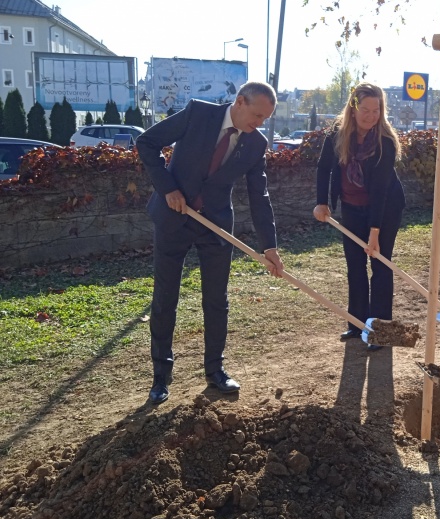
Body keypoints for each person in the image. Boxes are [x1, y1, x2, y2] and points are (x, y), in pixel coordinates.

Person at [137, 81, 284, 405]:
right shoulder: (197, 114)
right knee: (165, 299)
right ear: (240, 101)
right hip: (174, 217)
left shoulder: (255, 144)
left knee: (217, 300)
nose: (259, 124)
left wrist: (269, 247)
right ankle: (161, 376)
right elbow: (147, 143)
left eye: (265, 119)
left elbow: (259, 195)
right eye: (257, 115)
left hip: (215, 225)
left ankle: (215, 371)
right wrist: (168, 188)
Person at [313, 82, 405, 351]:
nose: (371, 116)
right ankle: (356, 324)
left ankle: (381, 330)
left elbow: (379, 190)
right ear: (353, 109)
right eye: (366, 110)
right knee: (354, 265)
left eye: (376, 110)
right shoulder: (337, 135)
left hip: (385, 209)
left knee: (380, 265)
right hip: (351, 207)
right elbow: (323, 168)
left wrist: (374, 234)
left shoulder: (385, 141)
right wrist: (321, 202)